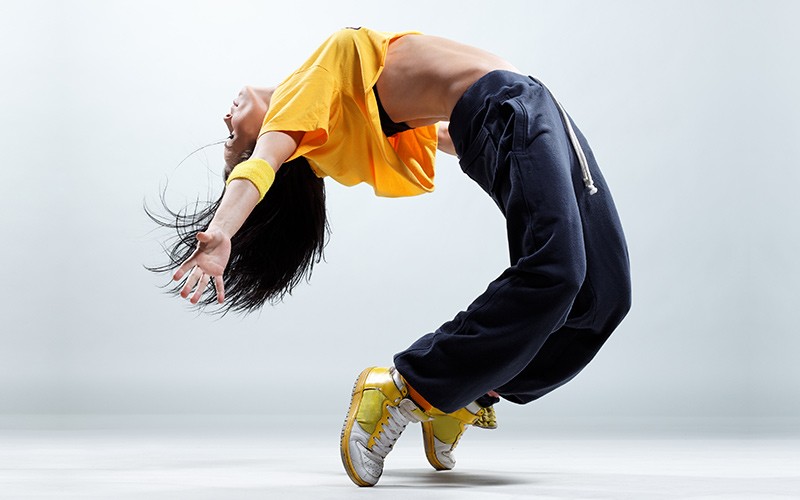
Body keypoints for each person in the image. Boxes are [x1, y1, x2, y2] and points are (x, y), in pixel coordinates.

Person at [150, 27, 631, 487]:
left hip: (530, 108)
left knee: (605, 296)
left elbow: (441, 136)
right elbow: (263, 164)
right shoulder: (295, 106)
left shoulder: (337, 117)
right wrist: (222, 231)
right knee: (555, 271)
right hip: (507, 106)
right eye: (232, 139)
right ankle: (403, 387)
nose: (226, 121)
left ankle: (466, 395)